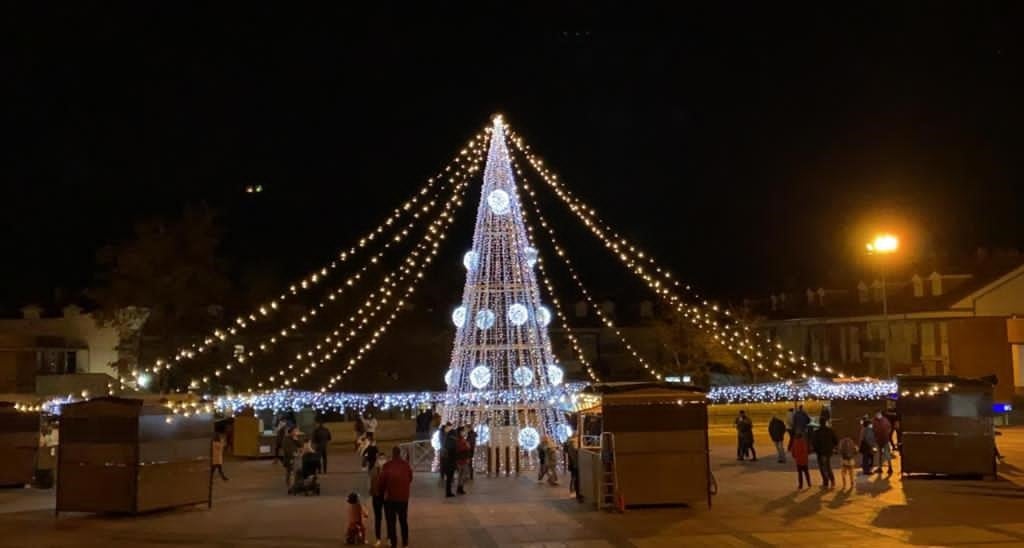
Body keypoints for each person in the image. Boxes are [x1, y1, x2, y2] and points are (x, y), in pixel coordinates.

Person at [380, 446, 413, 548]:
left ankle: (393, 543)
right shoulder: (406, 465)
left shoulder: (387, 466)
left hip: (391, 498)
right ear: (400, 453)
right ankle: (405, 542)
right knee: (403, 521)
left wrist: (382, 492)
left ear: (392, 454)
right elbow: (410, 478)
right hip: (403, 498)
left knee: (391, 522)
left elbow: (382, 482)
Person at [812, 420, 838, 489]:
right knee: (828, 466)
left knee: (822, 467)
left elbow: (814, 443)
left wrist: (816, 450)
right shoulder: (830, 431)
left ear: (819, 423)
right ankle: (832, 481)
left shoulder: (817, 432)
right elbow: (836, 440)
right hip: (828, 452)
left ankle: (825, 482)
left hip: (820, 452)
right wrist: (832, 447)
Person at [368, 454, 386, 546]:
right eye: (380, 459)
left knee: (389, 518)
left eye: (383, 459)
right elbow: (370, 484)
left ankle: (389, 538)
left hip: (386, 496)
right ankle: (378, 539)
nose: (381, 461)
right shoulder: (373, 470)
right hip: (377, 496)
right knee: (378, 518)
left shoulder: (387, 470)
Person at [872, 411, 893, 476]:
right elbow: (889, 428)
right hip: (885, 439)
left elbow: (873, 430)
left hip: (879, 439)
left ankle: (881, 468)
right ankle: (890, 467)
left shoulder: (874, 421)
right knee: (887, 454)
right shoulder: (885, 420)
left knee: (880, 454)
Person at [455, 427, 472, 495]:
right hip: (461, 459)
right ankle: (460, 487)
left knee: (462, 475)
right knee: (462, 474)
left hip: (463, 459)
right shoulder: (459, 440)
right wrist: (466, 446)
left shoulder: (462, 439)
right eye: (463, 431)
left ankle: (460, 487)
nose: (464, 432)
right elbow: (460, 448)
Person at [442, 425, 458, 497]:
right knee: (449, 478)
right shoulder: (451, 441)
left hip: (447, 461)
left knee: (449, 478)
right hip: (450, 462)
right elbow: (452, 451)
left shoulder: (447, 439)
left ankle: (448, 492)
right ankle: (448, 492)